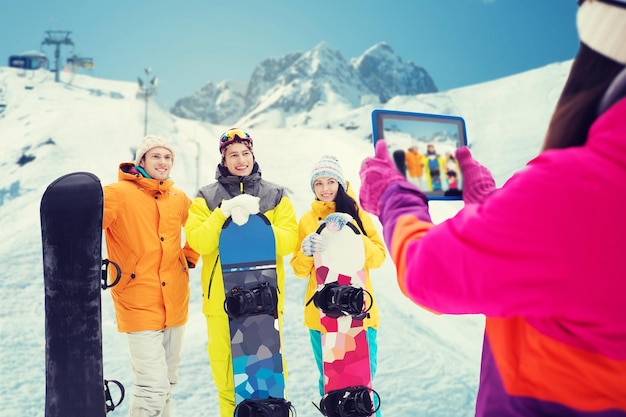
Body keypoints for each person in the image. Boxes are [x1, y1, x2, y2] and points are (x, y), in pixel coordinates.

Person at [358, 1, 626, 416]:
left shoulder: (583, 187)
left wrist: (395, 196)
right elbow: (563, 268)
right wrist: (493, 203)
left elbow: (428, 270)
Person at [184, 128, 298, 417]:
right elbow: (199, 241)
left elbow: (287, 242)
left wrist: (258, 222)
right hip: (223, 306)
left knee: (268, 379)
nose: (240, 159)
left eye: (245, 153)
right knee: (228, 380)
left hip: (265, 303)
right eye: (233, 154)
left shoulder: (275, 195)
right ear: (223, 159)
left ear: (253, 155)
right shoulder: (206, 197)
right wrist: (223, 213)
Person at [102, 135, 200, 417]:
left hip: (175, 300)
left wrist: (189, 258)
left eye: (168, 157)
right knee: (151, 387)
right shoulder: (117, 193)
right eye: (156, 156)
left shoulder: (177, 197)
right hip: (137, 299)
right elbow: (87, 227)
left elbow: (197, 229)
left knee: (167, 383)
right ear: (141, 161)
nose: (163, 162)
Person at [290, 155, 386, 416]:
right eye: (318, 183)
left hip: (359, 315)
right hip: (322, 317)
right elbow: (298, 270)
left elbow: (378, 257)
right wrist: (306, 251)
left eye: (330, 181)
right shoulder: (308, 220)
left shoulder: (358, 213)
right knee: (331, 384)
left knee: (361, 385)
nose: (325, 189)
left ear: (341, 183)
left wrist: (354, 231)